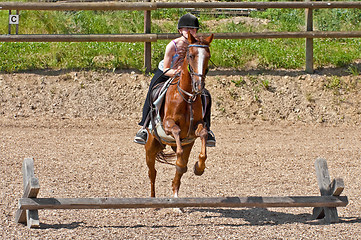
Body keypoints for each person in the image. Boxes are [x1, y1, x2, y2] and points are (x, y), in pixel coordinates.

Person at [134, 13, 216, 147]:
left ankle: (208, 128)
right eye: (187, 29)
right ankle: (144, 126)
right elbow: (166, 68)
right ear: (180, 30)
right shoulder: (172, 45)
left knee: (206, 95)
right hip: (167, 72)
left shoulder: (197, 46)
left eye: (193, 29)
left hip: (187, 77)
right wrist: (177, 73)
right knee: (153, 92)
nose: (190, 31)